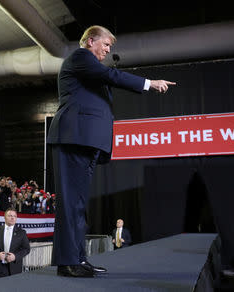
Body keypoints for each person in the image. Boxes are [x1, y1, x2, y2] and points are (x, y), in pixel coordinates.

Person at [46, 25, 176, 278]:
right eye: (105, 44)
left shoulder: (89, 68)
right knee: (71, 204)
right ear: (91, 40)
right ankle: (67, 263)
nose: (107, 50)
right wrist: (150, 83)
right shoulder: (81, 57)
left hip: (84, 141)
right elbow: (112, 77)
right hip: (73, 138)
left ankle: (78, 260)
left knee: (79, 206)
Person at [0, 209, 31, 279]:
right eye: (10, 216)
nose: (12, 218)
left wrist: (15, 256)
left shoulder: (21, 232)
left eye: (15, 216)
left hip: (14, 269)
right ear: (5, 217)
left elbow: (26, 249)